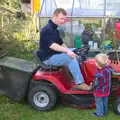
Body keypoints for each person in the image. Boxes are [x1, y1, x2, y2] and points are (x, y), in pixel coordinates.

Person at [38, 8, 91, 90]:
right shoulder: (47, 30)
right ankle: (79, 83)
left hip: (54, 53)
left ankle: (83, 76)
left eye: (64, 19)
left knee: (77, 51)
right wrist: (67, 52)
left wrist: (71, 51)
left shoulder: (55, 29)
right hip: (48, 57)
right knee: (71, 58)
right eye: (61, 18)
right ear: (54, 16)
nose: (63, 21)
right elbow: (52, 45)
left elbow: (61, 43)